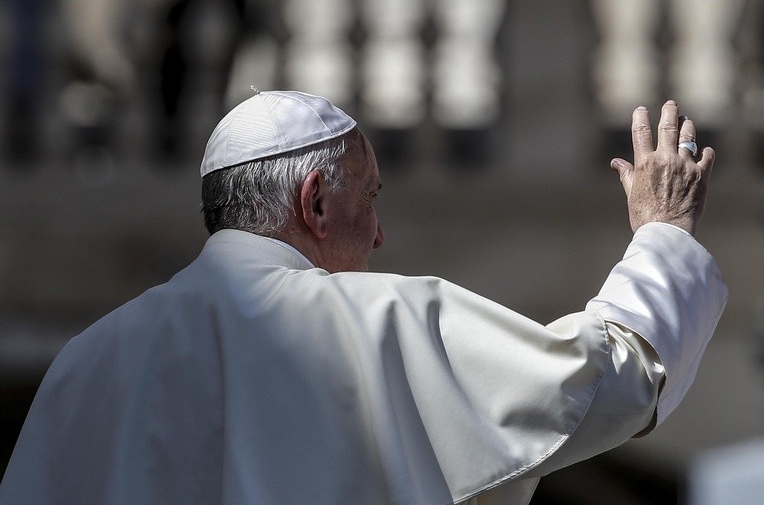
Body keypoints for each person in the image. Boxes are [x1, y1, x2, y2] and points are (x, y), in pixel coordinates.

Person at [0, 91, 727, 504]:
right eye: (371, 200)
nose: (378, 236)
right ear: (316, 202)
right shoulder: (383, 318)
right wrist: (662, 236)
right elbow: (614, 383)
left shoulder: (83, 363)